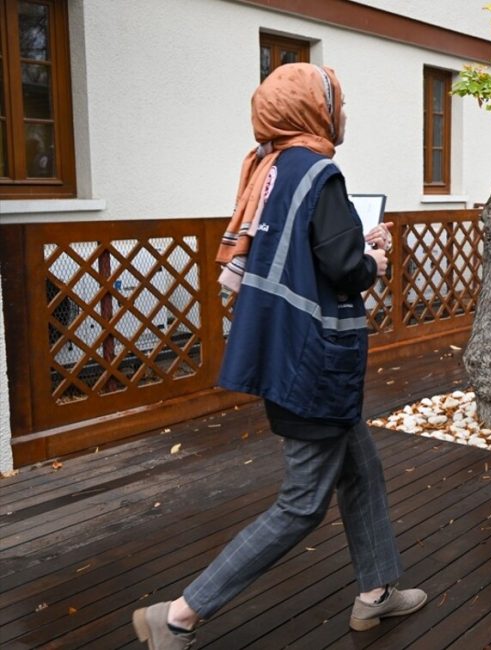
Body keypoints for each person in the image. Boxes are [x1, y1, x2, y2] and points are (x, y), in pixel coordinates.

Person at [131, 64, 426, 650]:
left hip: (284, 348)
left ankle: (377, 591)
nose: (341, 112)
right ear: (310, 111)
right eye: (335, 102)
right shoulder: (320, 172)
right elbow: (344, 270)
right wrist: (375, 262)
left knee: (362, 472)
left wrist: (350, 244)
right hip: (312, 360)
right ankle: (180, 615)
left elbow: (308, 253)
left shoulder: (269, 169)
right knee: (301, 505)